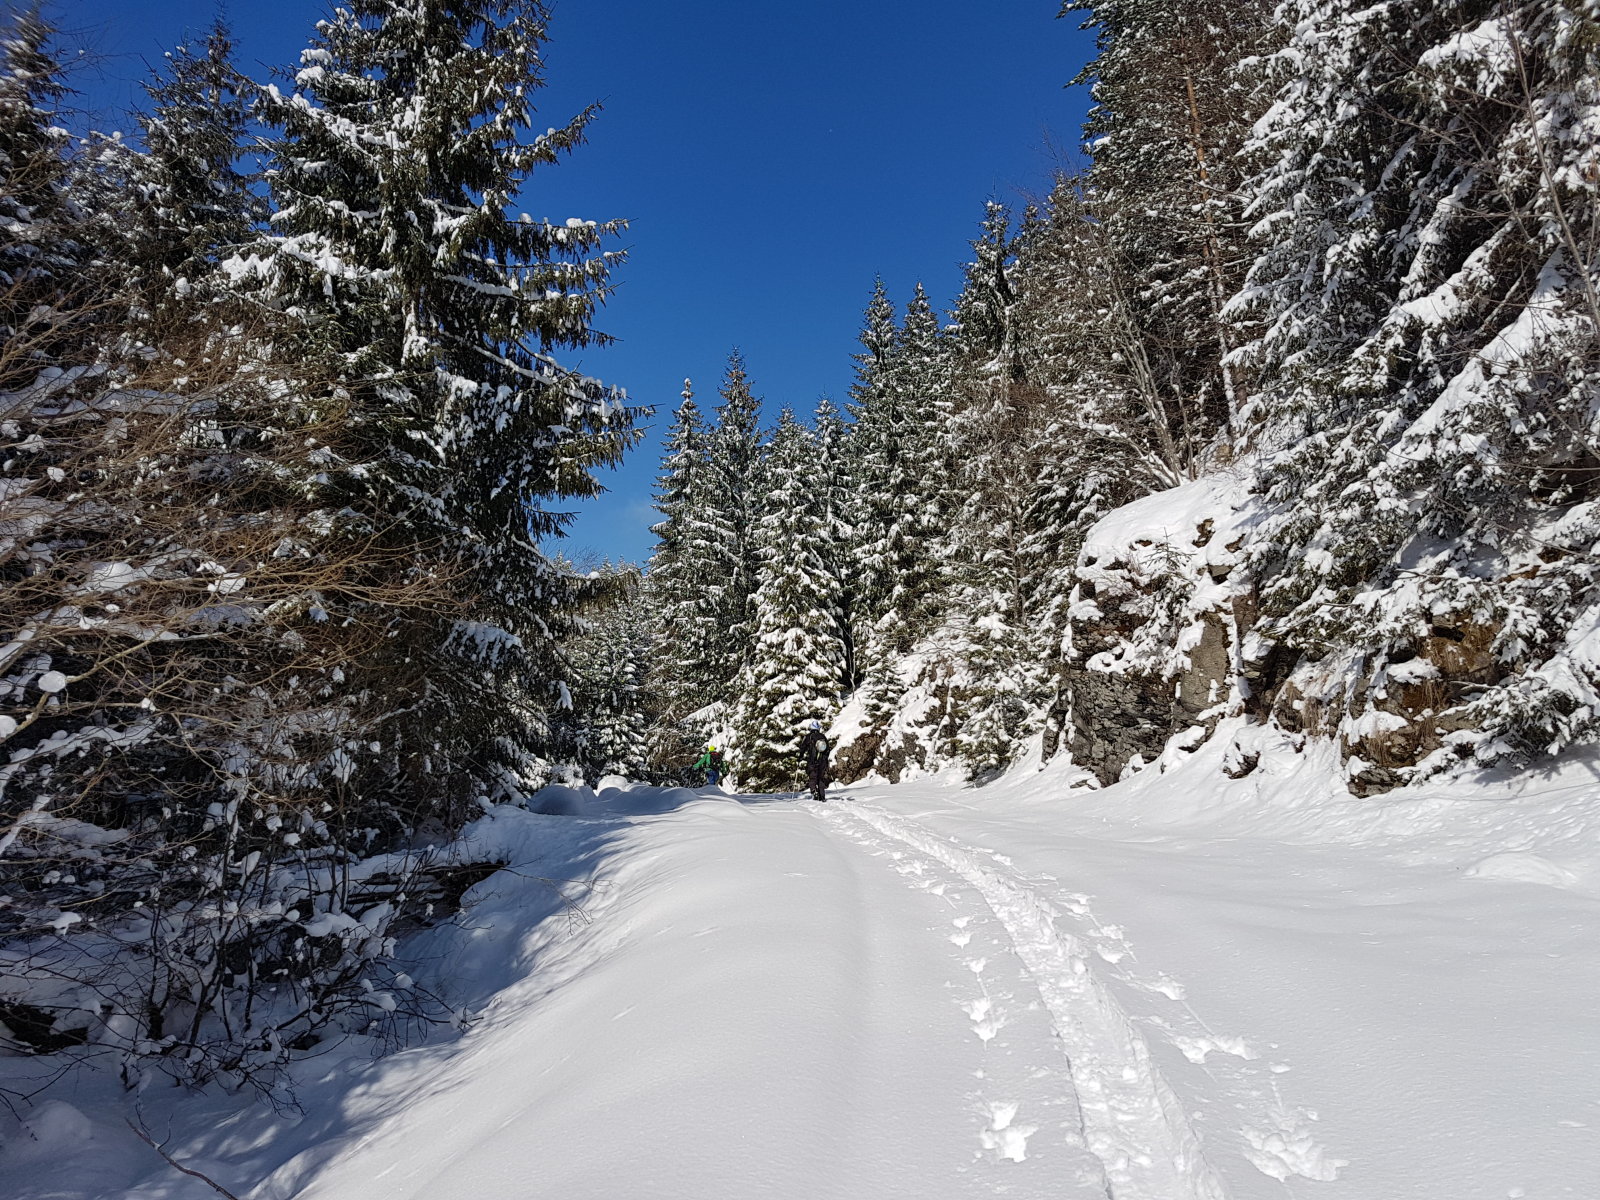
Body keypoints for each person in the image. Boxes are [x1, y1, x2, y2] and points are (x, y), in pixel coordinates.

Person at [798, 719, 830, 803]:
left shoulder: (808, 737)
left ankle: (814, 791)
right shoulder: (823, 736)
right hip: (822, 761)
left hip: (812, 761)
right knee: (821, 778)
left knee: (812, 777)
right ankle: (822, 796)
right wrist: (825, 759)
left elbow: (803, 748)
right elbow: (827, 749)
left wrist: (800, 757)